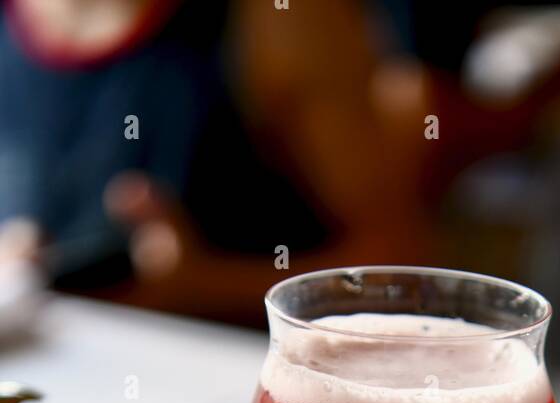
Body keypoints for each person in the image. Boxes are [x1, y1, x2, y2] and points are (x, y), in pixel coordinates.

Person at [0, 0, 429, 323]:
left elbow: (400, 271)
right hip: (62, 380)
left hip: (240, 402)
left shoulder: (279, 19)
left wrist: (204, 286)